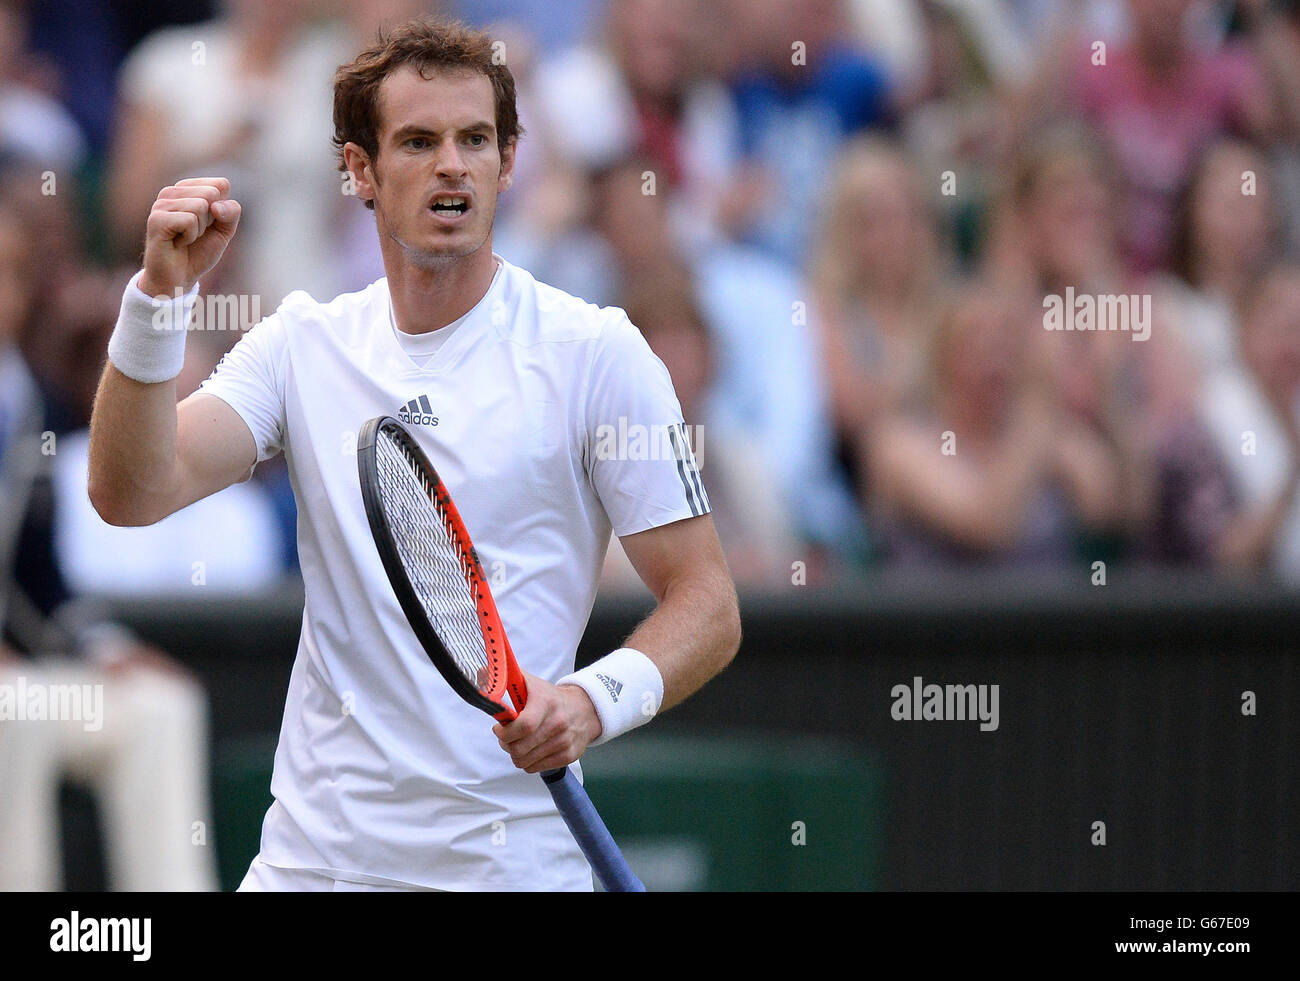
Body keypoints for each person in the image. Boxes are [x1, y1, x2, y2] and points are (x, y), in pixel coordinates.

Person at [87, 17, 741, 892]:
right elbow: (130, 491)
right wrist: (158, 302)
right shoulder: (301, 345)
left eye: (476, 140)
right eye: (420, 141)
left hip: (514, 870)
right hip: (312, 867)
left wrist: (589, 703)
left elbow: (707, 603)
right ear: (359, 170)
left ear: (510, 163)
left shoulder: (598, 353)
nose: (453, 165)